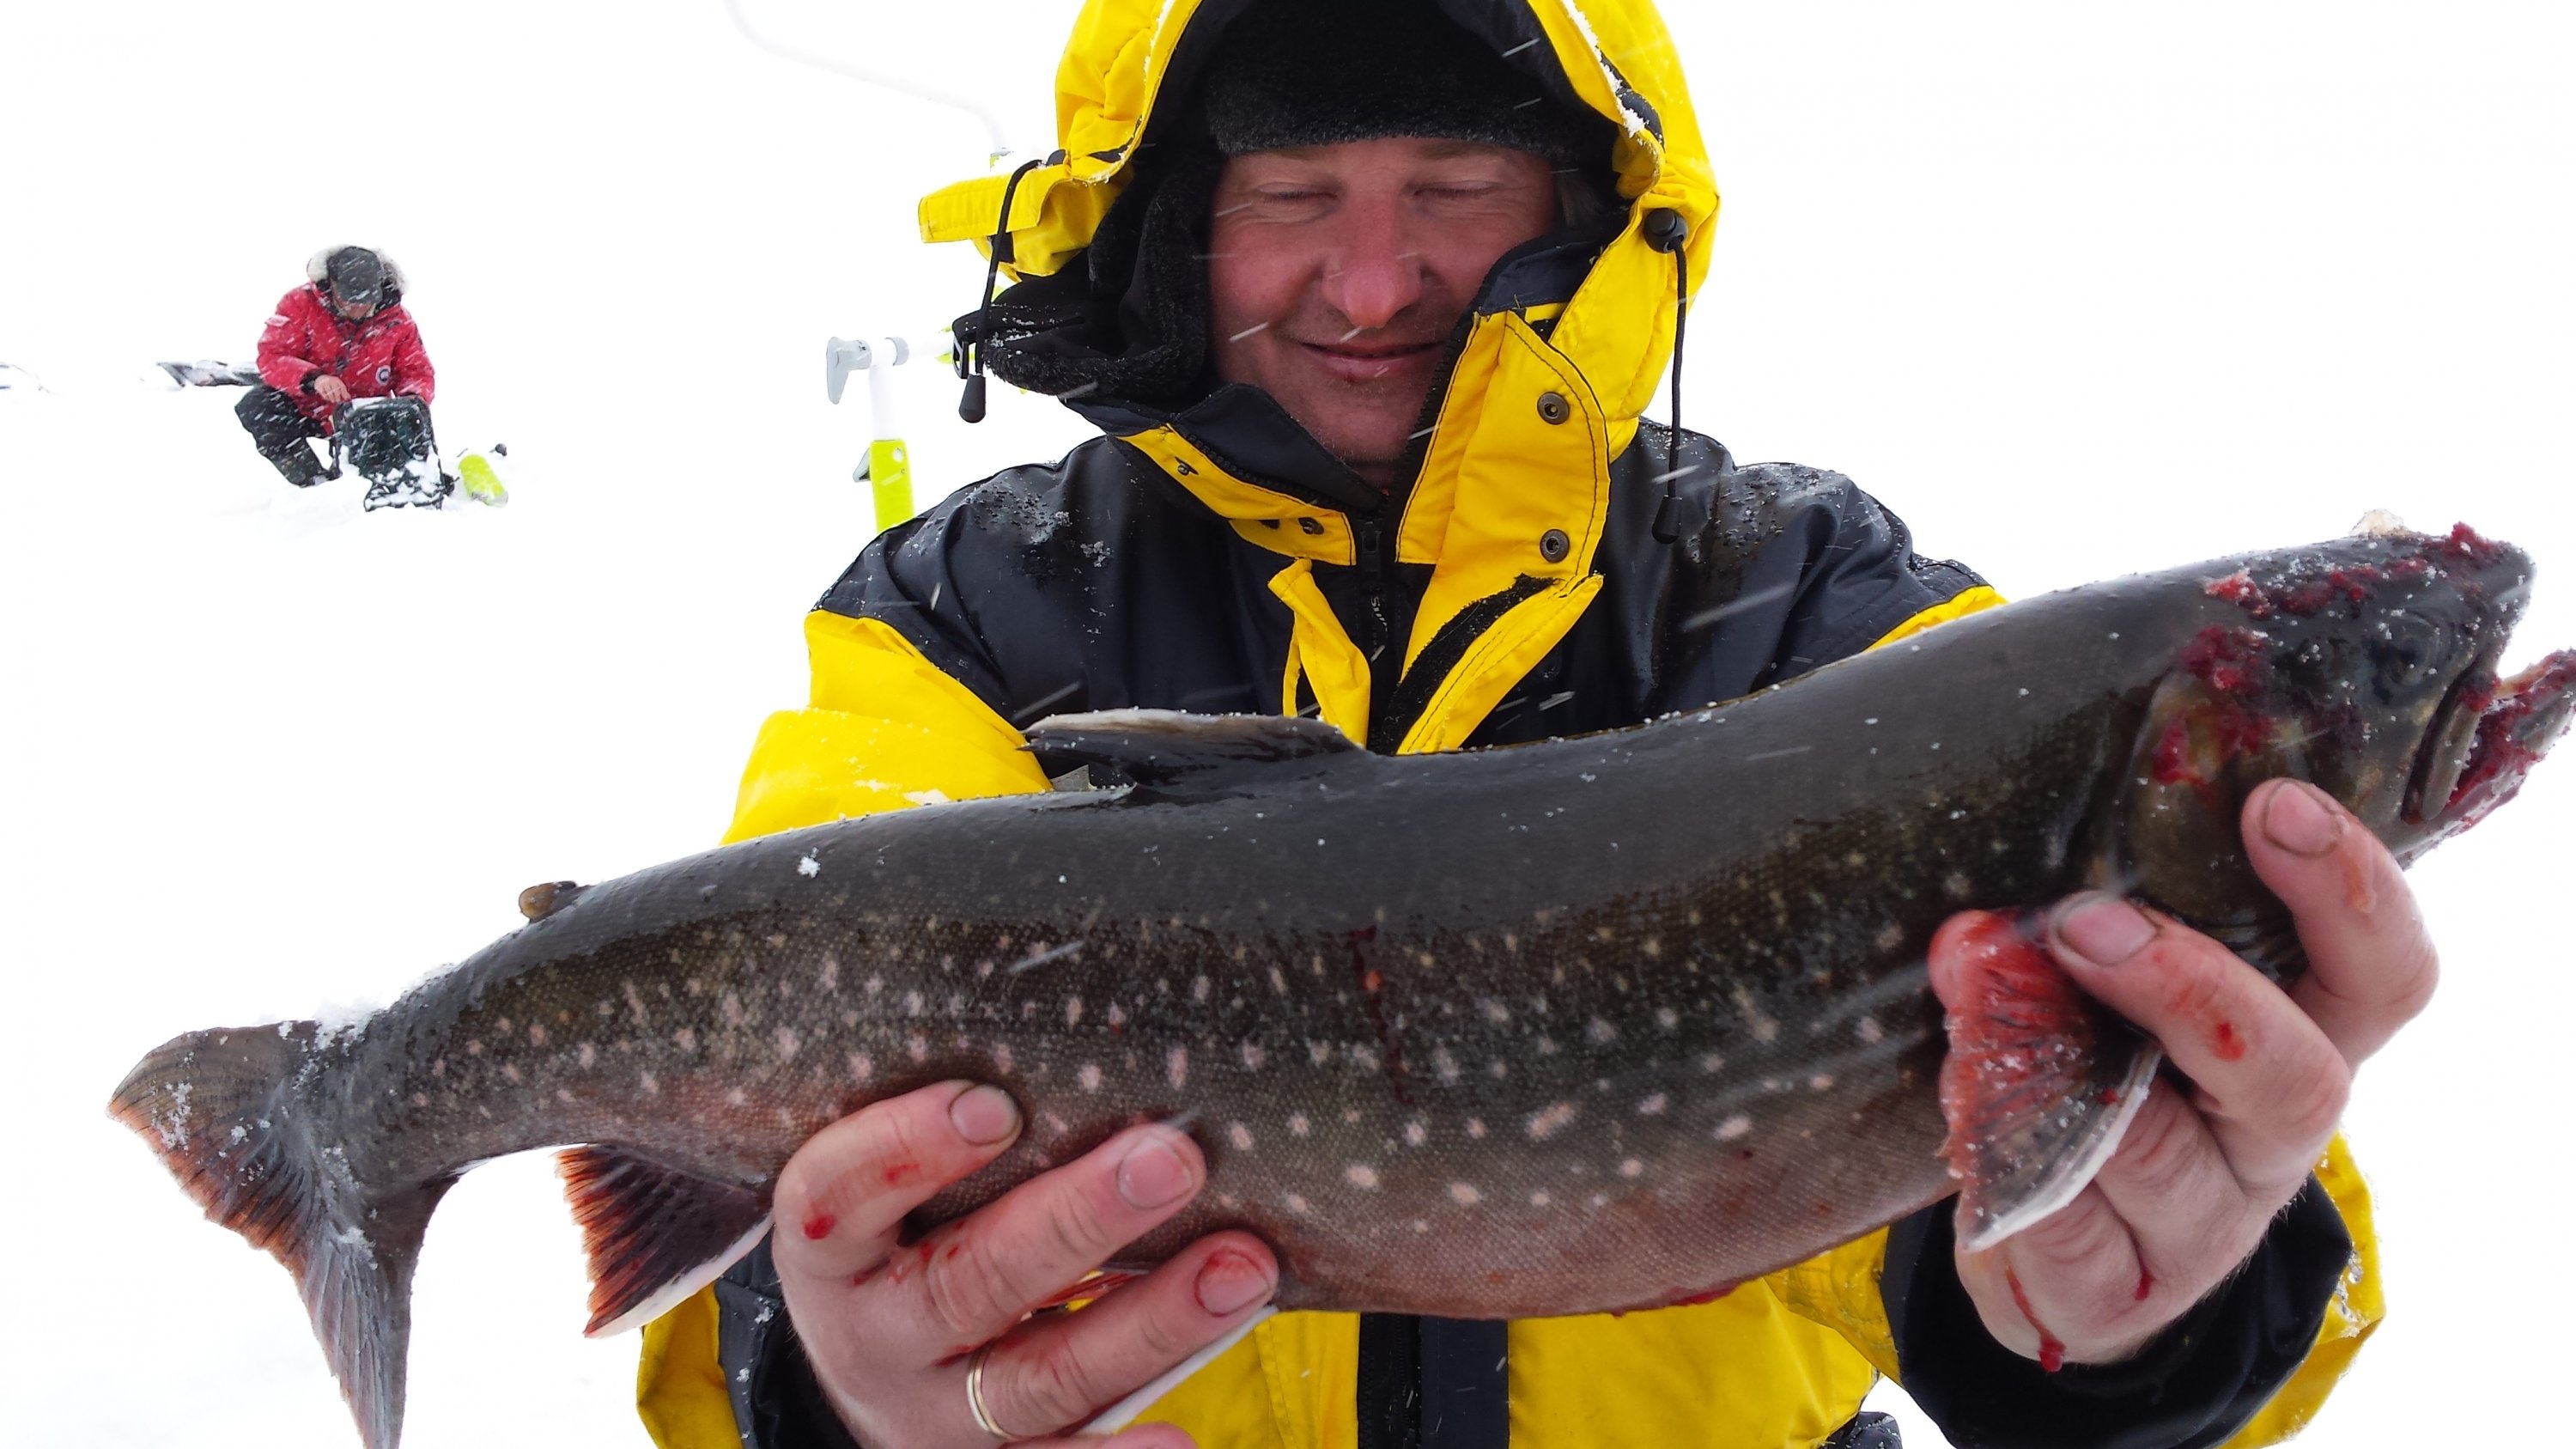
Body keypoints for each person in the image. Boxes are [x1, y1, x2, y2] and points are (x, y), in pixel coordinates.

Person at [637, 3, 2412, 1446]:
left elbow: (2145, 1194)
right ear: (1173, 231)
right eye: (1293, 192)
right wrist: (830, 1388)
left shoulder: (1817, 609)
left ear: (1587, 205)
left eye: (1456, 180)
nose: (1372, 282)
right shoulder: (969, 615)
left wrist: (2147, 1327)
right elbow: (747, 1058)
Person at [237, 244, 442, 503]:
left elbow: (417, 371)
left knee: (404, 427)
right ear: (331, 286)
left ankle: (389, 484)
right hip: (308, 407)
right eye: (349, 301)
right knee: (257, 406)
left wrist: (412, 400)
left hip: (368, 413)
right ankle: (315, 484)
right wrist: (314, 379)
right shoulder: (299, 304)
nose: (357, 308)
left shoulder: (398, 320)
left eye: (365, 301)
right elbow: (271, 357)